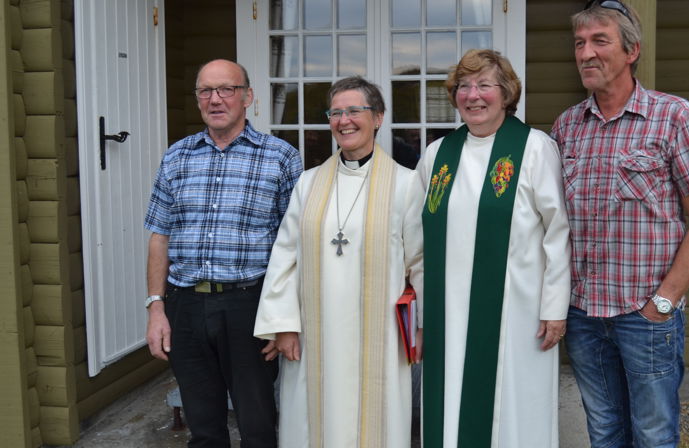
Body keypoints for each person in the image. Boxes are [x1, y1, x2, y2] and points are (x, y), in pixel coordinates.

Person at [550, 2, 689, 447]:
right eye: (579, 43)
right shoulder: (567, 127)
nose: (586, 53)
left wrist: (664, 302)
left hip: (645, 316)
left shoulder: (674, 117)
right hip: (584, 315)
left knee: (653, 435)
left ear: (632, 51)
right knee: (605, 433)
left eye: (599, 41)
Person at [253, 76, 424, 448]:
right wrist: (283, 325)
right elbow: (285, 254)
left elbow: (420, 262)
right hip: (315, 336)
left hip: (381, 337)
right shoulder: (309, 184)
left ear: (377, 118)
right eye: (336, 112)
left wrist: (421, 327)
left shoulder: (406, 185)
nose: (344, 120)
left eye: (354, 111)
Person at [144, 59, 303, 447]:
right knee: (203, 425)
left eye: (226, 89)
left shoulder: (281, 157)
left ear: (248, 97)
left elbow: (297, 244)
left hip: (249, 307)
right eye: (205, 91)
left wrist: (284, 318)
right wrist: (156, 308)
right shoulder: (177, 157)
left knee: (258, 423)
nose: (215, 99)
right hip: (185, 307)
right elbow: (159, 236)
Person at [418, 49, 571, 448]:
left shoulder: (534, 148)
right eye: (464, 86)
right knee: (448, 403)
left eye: (484, 85)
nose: (473, 95)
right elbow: (415, 233)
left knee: (512, 413)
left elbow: (558, 231)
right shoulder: (438, 155)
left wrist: (554, 307)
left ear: (506, 94)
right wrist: (418, 307)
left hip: (516, 313)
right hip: (447, 312)